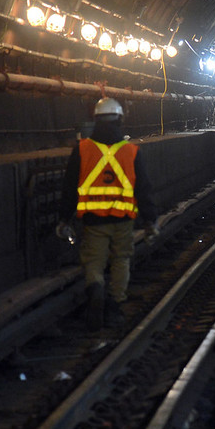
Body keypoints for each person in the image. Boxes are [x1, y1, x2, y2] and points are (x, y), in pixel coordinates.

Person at [57, 97, 159, 330]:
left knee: (94, 260)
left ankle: (96, 289)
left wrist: (64, 218)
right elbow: (143, 189)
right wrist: (150, 220)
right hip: (123, 220)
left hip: (93, 220)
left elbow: (69, 187)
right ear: (119, 119)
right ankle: (114, 304)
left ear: (96, 119)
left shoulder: (82, 150)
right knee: (121, 259)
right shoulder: (131, 151)